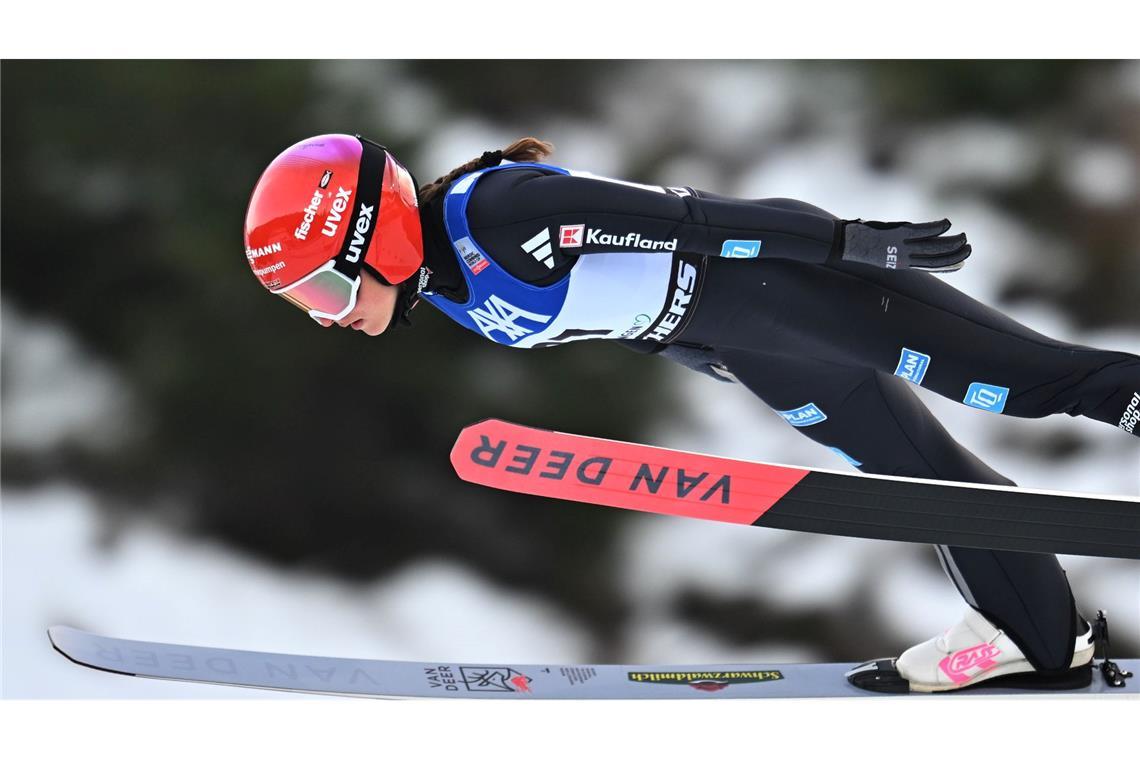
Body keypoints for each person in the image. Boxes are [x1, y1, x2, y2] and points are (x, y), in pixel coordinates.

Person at [243, 133, 1140, 693]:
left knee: (1034, 382)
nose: (332, 316)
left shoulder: (506, 215)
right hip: (752, 342)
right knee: (919, 482)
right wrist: (702, 354)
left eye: (325, 286)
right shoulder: (437, 286)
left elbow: (695, 221)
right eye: (307, 306)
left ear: (370, 234)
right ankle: (1033, 635)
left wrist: (843, 244)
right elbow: (615, 311)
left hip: (803, 287)